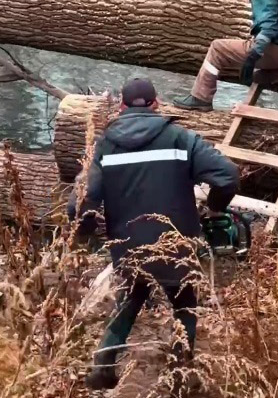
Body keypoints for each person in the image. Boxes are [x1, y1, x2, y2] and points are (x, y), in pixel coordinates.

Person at [69, 78, 239, 391]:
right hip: (175, 246)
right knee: (184, 304)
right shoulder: (179, 138)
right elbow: (227, 176)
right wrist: (215, 208)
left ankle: (102, 368)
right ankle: (180, 373)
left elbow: (81, 201)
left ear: (121, 106)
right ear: (156, 104)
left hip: (129, 247)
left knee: (129, 301)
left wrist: (87, 233)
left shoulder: (106, 146)